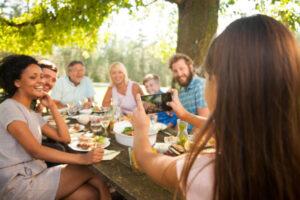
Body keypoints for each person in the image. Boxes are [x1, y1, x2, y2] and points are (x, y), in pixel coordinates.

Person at [131, 15, 300, 200]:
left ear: (222, 85)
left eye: (209, 77)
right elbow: (224, 129)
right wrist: (184, 114)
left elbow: (147, 160)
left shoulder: (208, 174)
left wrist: (140, 130)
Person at [0, 55, 111, 199]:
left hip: (37, 174)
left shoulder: (32, 113)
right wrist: (82, 159)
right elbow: (36, 150)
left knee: (89, 194)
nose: (41, 81)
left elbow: (65, 137)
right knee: (91, 169)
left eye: (41, 76)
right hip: (19, 184)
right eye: (33, 77)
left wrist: (52, 106)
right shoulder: (9, 108)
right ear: (17, 82)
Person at [169, 53, 209, 132]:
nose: (179, 74)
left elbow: (204, 121)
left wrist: (188, 142)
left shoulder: (200, 85)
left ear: (190, 67)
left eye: (182, 69)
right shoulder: (182, 91)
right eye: (175, 71)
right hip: (184, 137)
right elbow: (181, 120)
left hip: (197, 139)